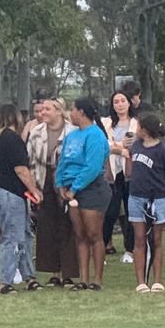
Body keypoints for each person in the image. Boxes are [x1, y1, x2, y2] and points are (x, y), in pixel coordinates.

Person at [0, 104, 44, 294]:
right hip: (8, 193)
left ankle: (29, 277)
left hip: (0, 191)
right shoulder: (12, 139)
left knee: (25, 234)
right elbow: (21, 169)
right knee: (13, 236)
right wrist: (34, 190)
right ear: (15, 118)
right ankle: (6, 281)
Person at [55, 97, 110, 291]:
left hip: (91, 189)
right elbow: (62, 161)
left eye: (72, 109)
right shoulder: (71, 136)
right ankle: (84, 278)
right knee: (80, 236)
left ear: (82, 112)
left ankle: (97, 279)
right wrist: (60, 184)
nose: (70, 113)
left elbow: (92, 166)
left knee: (94, 233)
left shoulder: (94, 135)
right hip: (71, 189)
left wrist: (75, 188)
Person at [27, 97, 78, 286]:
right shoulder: (35, 132)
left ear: (59, 111)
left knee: (67, 227)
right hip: (44, 181)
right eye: (41, 110)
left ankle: (69, 274)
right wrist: (34, 188)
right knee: (47, 227)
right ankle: (53, 273)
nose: (43, 113)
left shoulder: (72, 132)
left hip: (65, 183)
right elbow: (30, 161)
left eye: (48, 109)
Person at [127, 113, 165, 293]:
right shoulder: (136, 146)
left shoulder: (163, 151)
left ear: (145, 130)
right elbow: (129, 172)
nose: (136, 129)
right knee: (139, 238)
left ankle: (157, 280)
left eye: (138, 126)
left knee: (156, 239)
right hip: (136, 197)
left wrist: (161, 186)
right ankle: (141, 281)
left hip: (157, 199)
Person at [101, 90, 138, 256]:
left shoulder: (136, 123)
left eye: (123, 100)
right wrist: (120, 147)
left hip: (131, 172)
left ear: (129, 103)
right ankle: (101, 246)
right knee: (110, 210)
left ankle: (130, 249)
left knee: (131, 210)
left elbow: (136, 146)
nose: (120, 104)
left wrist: (118, 147)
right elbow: (104, 144)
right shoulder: (106, 123)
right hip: (112, 173)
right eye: (116, 101)